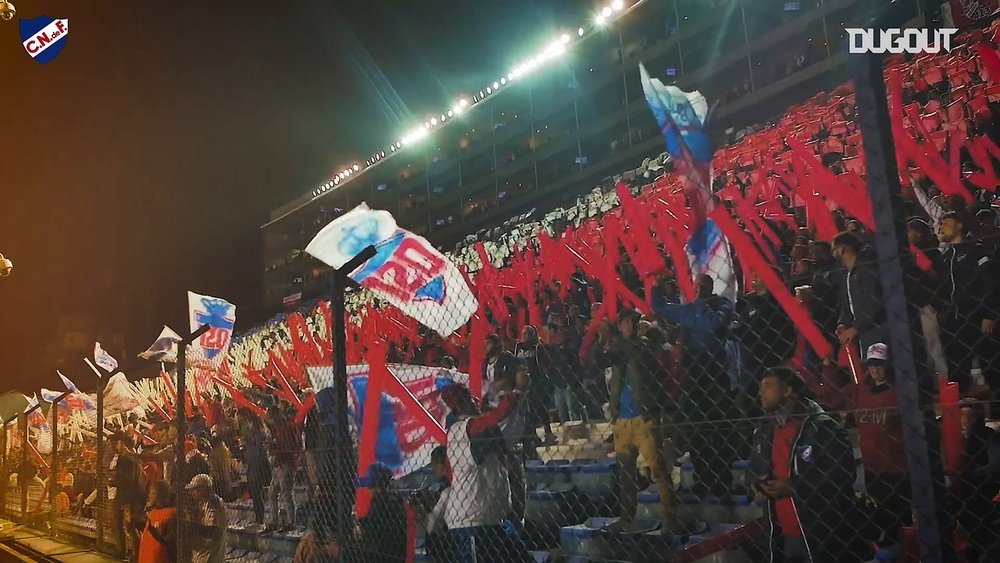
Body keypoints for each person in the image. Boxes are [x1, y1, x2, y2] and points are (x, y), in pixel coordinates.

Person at [750, 367, 864, 561]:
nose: (760, 393)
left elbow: (843, 473)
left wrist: (795, 486)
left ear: (788, 391)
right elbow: (755, 469)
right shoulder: (764, 429)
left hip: (821, 534)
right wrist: (756, 484)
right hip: (781, 534)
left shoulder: (822, 427)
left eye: (768, 386)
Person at [440, 380, 532, 563]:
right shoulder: (465, 429)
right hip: (472, 523)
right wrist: (517, 391)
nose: (476, 401)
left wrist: (519, 403)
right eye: (470, 398)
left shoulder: (468, 431)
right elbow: (496, 420)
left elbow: (506, 433)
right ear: (461, 404)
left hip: (489, 519)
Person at [608, 311, 680, 532]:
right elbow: (594, 359)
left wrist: (616, 338)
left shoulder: (646, 346)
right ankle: (627, 518)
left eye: (632, 321)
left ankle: (671, 518)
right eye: (624, 322)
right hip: (622, 420)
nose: (628, 325)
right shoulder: (616, 350)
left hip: (643, 417)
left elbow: (636, 354)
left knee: (657, 469)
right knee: (626, 475)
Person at [848, 343, 910, 548]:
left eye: (879, 364)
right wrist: (828, 366)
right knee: (880, 513)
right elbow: (835, 395)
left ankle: (904, 550)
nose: (874, 369)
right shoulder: (863, 390)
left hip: (895, 467)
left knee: (898, 515)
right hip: (871, 466)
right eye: (871, 364)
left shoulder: (898, 392)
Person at [934, 211, 999, 397]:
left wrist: (989, 314)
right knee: (957, 369)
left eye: (945, 223)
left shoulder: (975, 250)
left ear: (959, 226)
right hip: (954, 323)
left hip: (978, 319)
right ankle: (963, 410)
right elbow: (940, 289)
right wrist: (941, 309)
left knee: (991, 365)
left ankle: (995, 410)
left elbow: (991, 283)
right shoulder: (944, 258)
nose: (940, 227)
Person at [832, 231, 887, 358]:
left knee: (881, 368)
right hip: (864, 334)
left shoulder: (867, 268)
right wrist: (843, 323)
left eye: (834, 249)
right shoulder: (847, 275)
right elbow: (847, 304)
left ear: (842, 249)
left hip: (877, 330)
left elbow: (874, 302)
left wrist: (856, 328)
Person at [358, 464, 407, 563]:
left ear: (377, 486)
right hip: (397, 552)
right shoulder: (395, 497)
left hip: (382, 553)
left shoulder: (378, 502)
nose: (368, 489)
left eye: (370, 486)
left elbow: (373, 530)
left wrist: (361, 523)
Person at [263, 404, 299, 533]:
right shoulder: (278, 428)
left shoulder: (287, 426)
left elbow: (290, 446)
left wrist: (274, 447)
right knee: (272, 493)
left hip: (286, 463)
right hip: (279, 464)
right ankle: (274, 521)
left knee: (286, 494)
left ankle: (290, 522)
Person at [111, 433, 145, 561]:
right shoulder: (125, 458)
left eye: (118, 443)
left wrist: (127, 504)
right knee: (127, 526)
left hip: (130, 498)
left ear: (123, 443)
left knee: (131, 526)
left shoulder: (130, 459)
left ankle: (137, 555)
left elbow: (130, 481)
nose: (117, 445)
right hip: (125, 497)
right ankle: (131, 553)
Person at [184, 474, 227, 563]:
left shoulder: (214, 503)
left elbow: (213, 531)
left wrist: (189, 526)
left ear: (202, 489)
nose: (192, 493)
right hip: (203, 554)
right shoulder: (203, 502)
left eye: (194, 490)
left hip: (210, 556)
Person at [138, 480, 177, 563]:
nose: (149, 495)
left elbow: (166, 541)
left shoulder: (169, 514)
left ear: (159, 495)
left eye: (153, 493)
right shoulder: (153, 512)